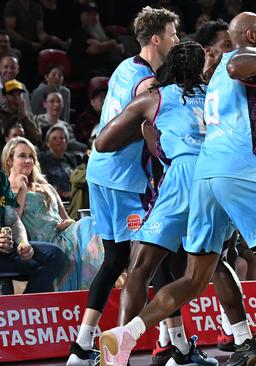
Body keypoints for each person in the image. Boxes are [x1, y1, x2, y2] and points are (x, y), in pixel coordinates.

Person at [97, 12, 256, 366]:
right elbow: (240, 64)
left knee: (193, 276)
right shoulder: (235, 61)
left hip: (203, 176)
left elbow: (109, 139)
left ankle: (128, 332)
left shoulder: (211, 77)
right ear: (250, 34)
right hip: (238, 172)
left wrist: (152, 142)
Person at [66, 7, 181, 366]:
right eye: (173, 33)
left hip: (100, 174)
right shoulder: (149, 84)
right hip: (124, 181)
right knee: (151, 257)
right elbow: (150, 133)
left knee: (117, 258)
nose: (177, 39)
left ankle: (82, 347)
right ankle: (156, 347)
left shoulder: (124, 66)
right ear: (157, 39)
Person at [95, 41, 222, 366]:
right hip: (218, 176)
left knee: (140, 267)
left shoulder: (154, 97)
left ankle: (120, 348)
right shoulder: (216, 94)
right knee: (197, 275)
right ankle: (191, 343)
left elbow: (103, 141)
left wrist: (148, 135)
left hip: (181, 176)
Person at [2, 136, 103, 291]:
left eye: (31, 156)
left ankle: (92, 288)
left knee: (90, 224)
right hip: (40, 242)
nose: (28, 160)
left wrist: (69, 223)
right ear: (9, 160)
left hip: (64, 235)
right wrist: (21, 189)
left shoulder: (46, 187)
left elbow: (67, 219)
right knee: (89, 225)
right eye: (22, 156)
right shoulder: (6, 189)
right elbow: (13, 221)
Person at [0, 168, 65, 294]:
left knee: (55, 256)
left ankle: (28, 304)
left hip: (7, 250)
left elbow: (13, 221)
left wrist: (23, 243)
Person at [38, 125, 81, 200]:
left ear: (66, 142)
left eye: (61, 138)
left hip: (74, 199)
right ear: (48, 143)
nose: (58, 140)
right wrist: (63, 194)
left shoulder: (72, 159)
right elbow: (43, 181)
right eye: (54, 138)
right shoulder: (41, 158)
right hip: (53, 199)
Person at [0, 79, 40, 145]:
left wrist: (24, 116)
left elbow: (37, 138)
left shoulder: (29, 116)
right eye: (12, 95)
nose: (16, 98)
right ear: (4, 97)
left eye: (19, 95)